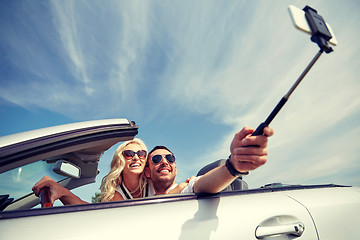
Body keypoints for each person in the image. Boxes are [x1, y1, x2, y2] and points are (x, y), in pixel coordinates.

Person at [145, 126, 273, 195]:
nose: (164, 162)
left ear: (175, 168)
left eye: (169, 158)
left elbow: (201, 184)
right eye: (156, 159)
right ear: (147, 172)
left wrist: (233, 166)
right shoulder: (140, 197)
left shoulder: (185, 190)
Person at [33, 138, 152, 204]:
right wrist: (64, 192)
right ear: (120, 161)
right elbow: (95, 215)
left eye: (141, 154)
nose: (136, 157)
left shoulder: (155, 183)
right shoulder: (115, 194)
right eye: (129, 154)